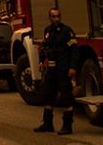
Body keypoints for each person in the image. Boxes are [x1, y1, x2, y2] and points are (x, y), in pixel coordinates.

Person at [33, 7, 79, 135]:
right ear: (49, 18)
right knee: (47, 95)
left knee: (66, 96)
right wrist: (42, 61)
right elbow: (45, 48)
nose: (56, 19)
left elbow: (74, 50)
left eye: (58, 16)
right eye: (53, 16)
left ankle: (67, 125)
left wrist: (73, 67)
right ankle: (47, 124)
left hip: (63, 68)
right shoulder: (47, 31)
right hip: (51, 69)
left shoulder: (66, 31)